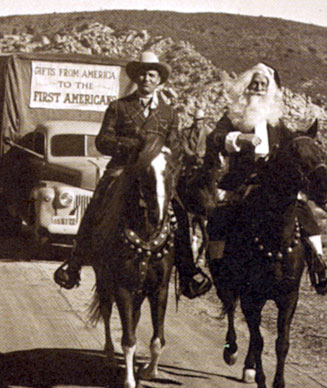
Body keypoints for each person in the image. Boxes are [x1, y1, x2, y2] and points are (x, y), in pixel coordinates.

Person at [54, 51, 211, 298]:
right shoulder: (119, 107)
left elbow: (176, 146)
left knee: (179, 213)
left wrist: (169, 162)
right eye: (143, 74)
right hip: (123, 169)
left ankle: (189, 271)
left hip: (157, 172)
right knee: (96, 204)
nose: (147, 78)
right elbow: (103, 141)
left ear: (159, 80)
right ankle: (74, 264)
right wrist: (130, 147)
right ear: (136, 78)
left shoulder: (169, 113)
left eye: (152, 74)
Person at [206, 62, 327, 295]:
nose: (257, 88)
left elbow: (292, 147)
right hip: (242, 182)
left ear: (269, 89)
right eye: (254, 83)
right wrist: (239, 139)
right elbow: (215, 138)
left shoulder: (277, 121)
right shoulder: (232, 116)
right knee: (220, 218)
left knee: (306, 217)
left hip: (274, 184)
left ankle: (319, 268)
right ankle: (218, 271)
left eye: (263, 84)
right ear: (246, 86)